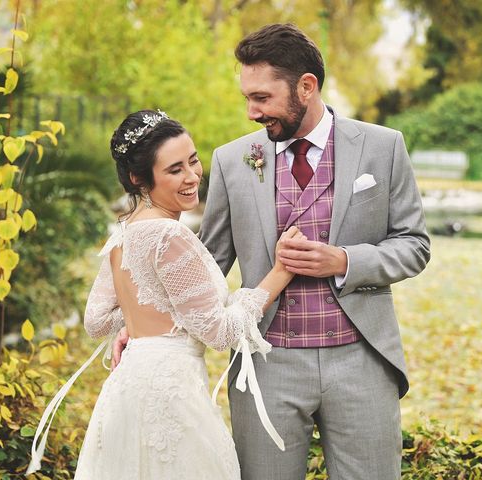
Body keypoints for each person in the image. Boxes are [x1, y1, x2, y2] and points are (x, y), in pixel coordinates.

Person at [114, 23, 430, 479]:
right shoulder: (232, 160)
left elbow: (414, 245)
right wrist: (143, 323)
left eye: (261, 98)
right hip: (264, 365)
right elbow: (205, 263)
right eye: (247, 97)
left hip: (362, 361)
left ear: (306, 86)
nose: (251, 112)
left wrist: (344, 261)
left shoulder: (382, 147)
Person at [27, 109, 304, 478]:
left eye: (193, 161)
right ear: (139, 178)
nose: (192, 177)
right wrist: (280, 272)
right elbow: (220, 332)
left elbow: (97, 320)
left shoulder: (123, 234)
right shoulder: (169, 236)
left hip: (129, 386)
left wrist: (143, 325)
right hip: (171, 394)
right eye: (175, 170)